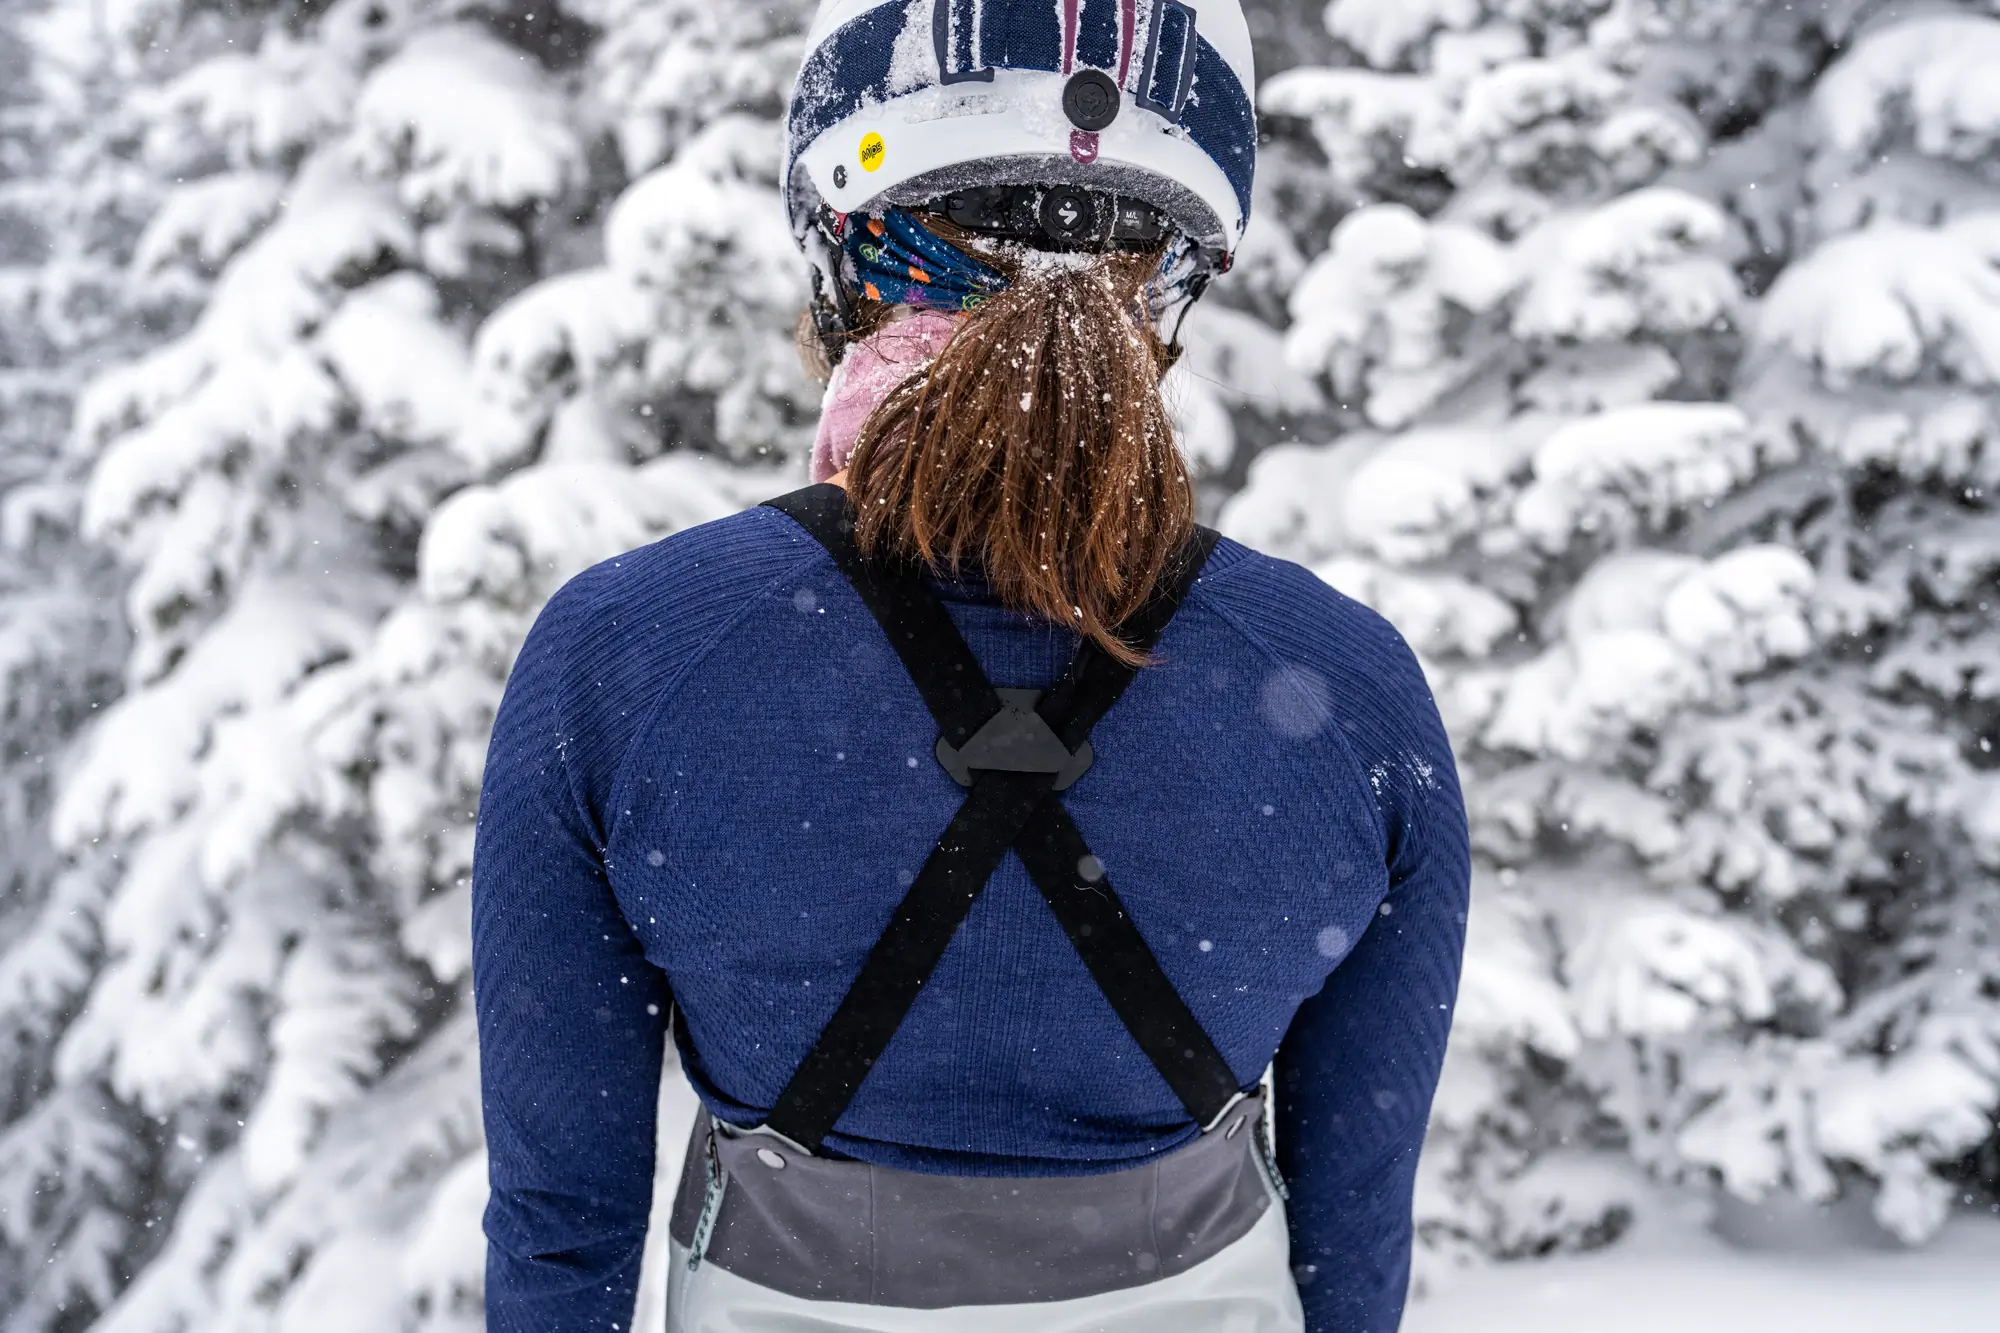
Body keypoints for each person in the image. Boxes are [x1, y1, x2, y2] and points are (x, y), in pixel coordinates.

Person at [471, 1, 1471, 1330]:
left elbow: (561, 1226)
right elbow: (1353, 1241)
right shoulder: (1347, 689)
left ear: (842, 259)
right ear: (1172, 284)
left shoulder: (623, 656)